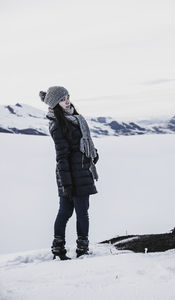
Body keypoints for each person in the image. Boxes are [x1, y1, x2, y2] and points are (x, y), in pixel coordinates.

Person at [39, 86, 99, 260]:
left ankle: (70, 248)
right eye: (62, 98)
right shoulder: (58, 124)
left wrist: (91, 154)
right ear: (55, 103)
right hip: (71, 174)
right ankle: (72, 248)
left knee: (71, 211)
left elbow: (79, 145)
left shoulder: (74, 118)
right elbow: (62, 156)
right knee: (74, 212)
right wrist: (66, 183)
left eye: (67, 97)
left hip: (80, 170)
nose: (67, 101)